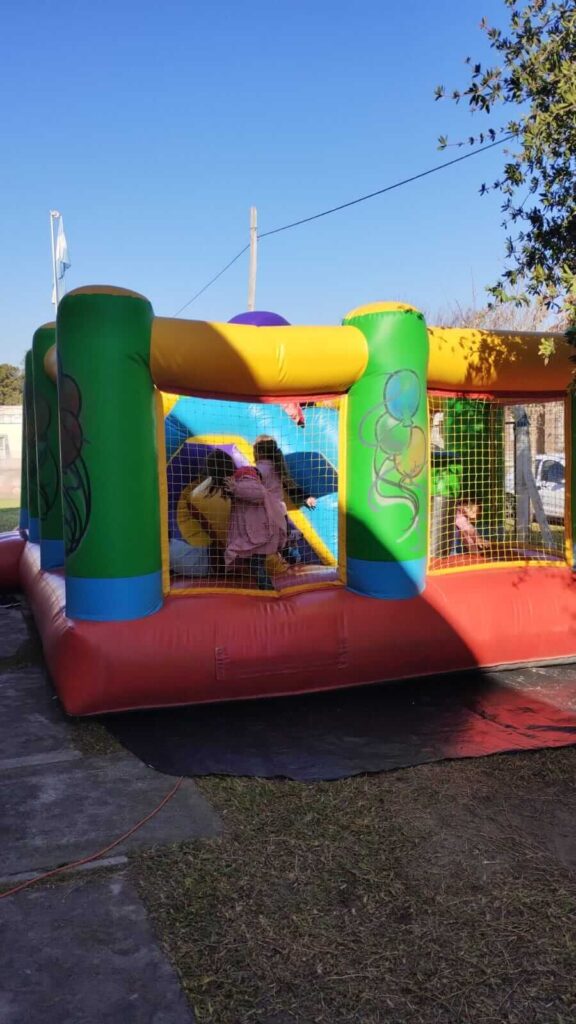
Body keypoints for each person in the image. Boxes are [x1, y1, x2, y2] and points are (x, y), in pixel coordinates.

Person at [192, 449, 286, 590]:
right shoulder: (233, 480)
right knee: (253, 565)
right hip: (254, 532)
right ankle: (266, 592)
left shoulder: (243, 474)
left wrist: (236, 488)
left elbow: (259, 493)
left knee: (256, 565)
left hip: (260, 531)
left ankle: (270, 595)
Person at [253, 435, 317, 564]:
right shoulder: (277, 467)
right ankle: (291, 542)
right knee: (281, 542)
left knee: (270, 541)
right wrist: (306, 497)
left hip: (267, 513)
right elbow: (290, 484)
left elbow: (251, 490)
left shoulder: (258, 470)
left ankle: (291, 537)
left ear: (258, 452)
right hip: (280, 512)